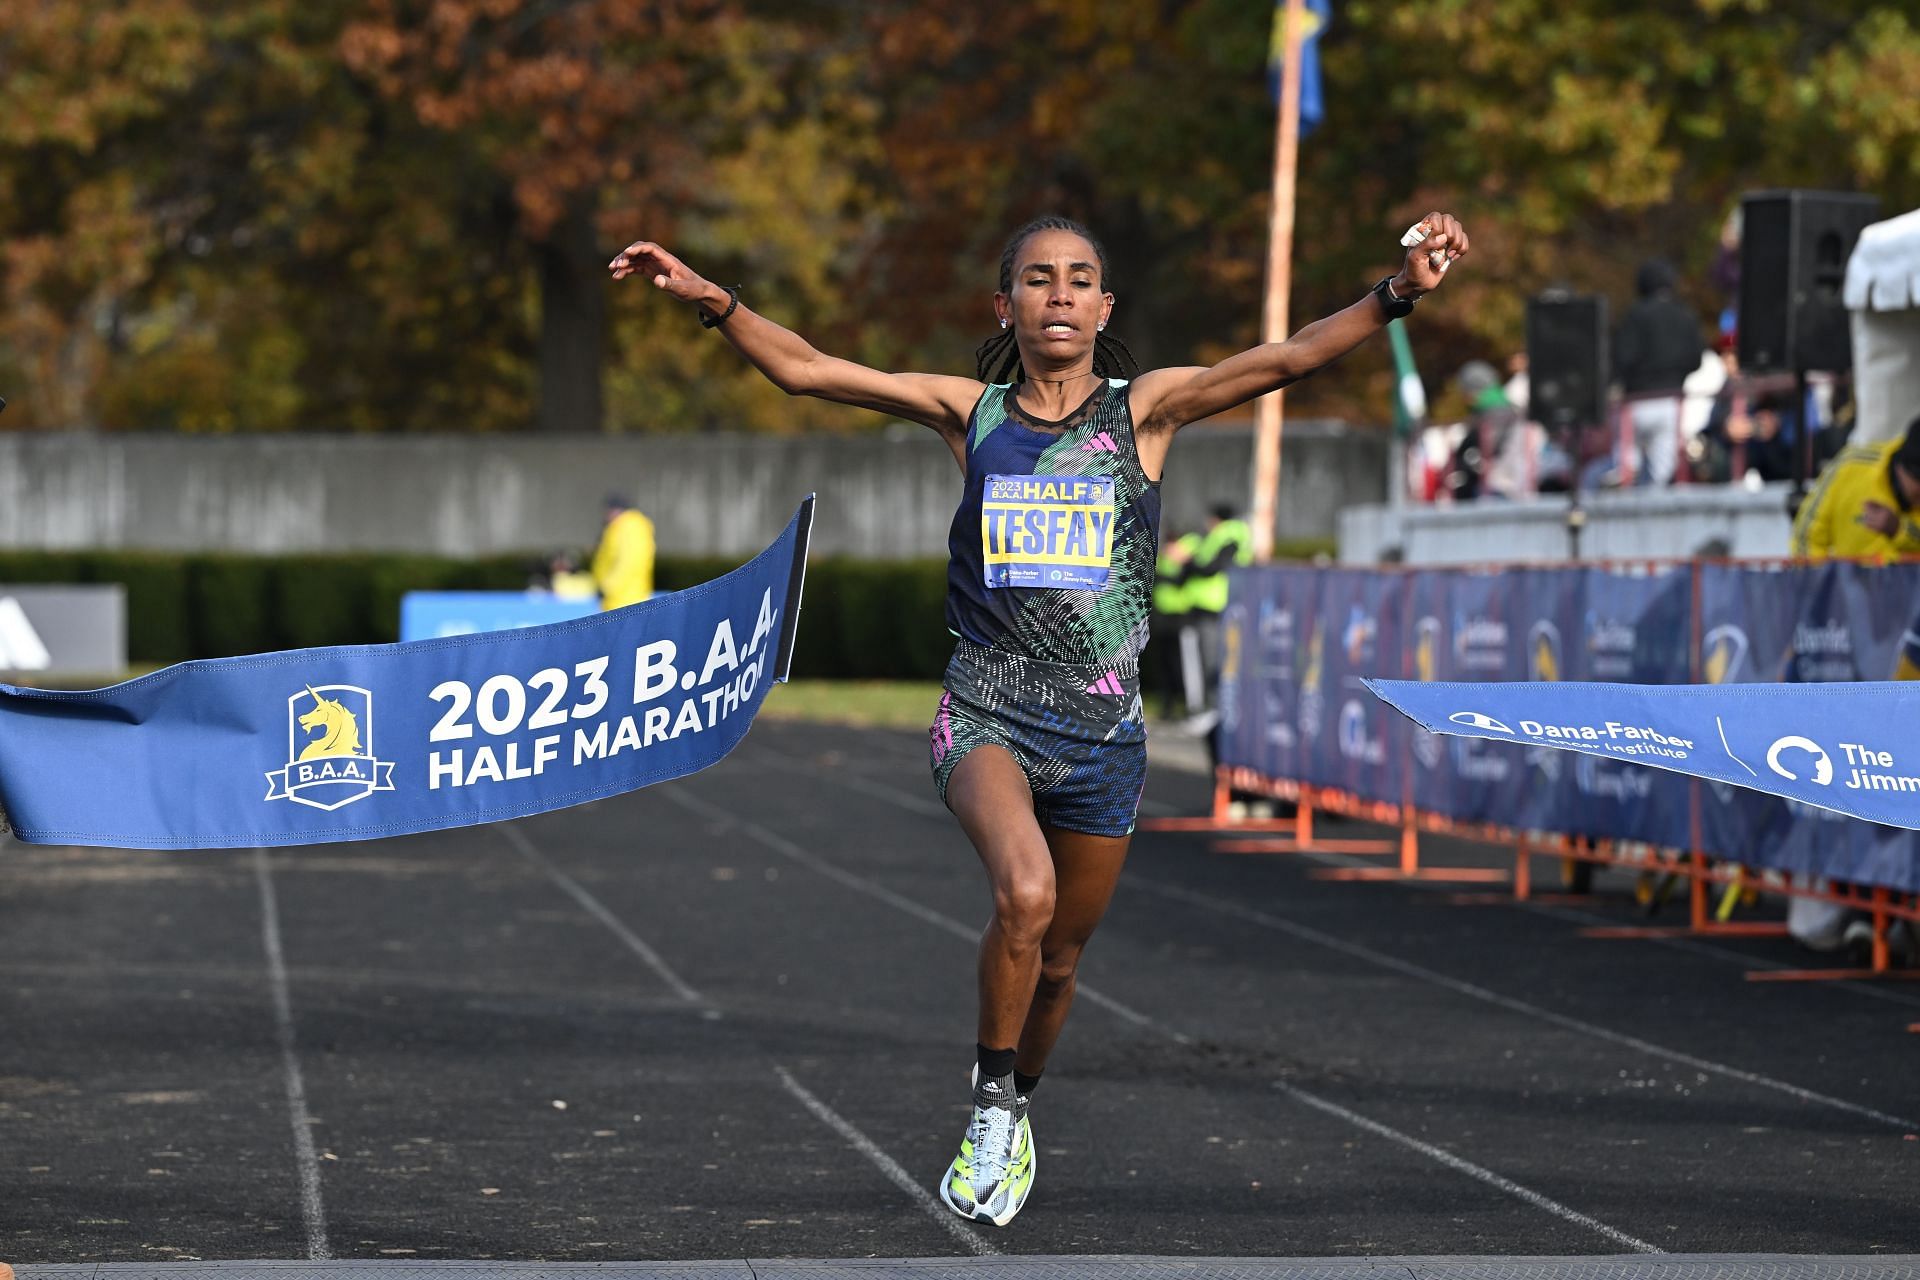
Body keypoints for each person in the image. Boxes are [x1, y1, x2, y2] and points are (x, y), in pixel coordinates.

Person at [610, 210, 1468, 1226]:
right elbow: (809, 371)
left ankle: (1016, 1101)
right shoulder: (969, 414)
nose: (1059, 294)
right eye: (1039, 278)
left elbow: (1283, 358)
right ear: (1005, 303)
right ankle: (986, 1099)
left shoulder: (1143, 413)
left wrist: (1397, 292)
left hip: (1104, 734)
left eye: (1079, 279)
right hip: (986, 708)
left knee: (1060, 956)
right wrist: (714, 300)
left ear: (1106, 308)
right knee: (1023, 893)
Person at [1613, 259, 1704, 486]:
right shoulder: (1686, 315)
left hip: (1637, 401)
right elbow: (1695, 360)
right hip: (1672, 402)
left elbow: (1622, 357)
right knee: (1661, 474)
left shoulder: (1636, 315)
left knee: (1626, 466)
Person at [1789, 412, 1920, 561]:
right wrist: (1827, 581)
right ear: (1901, 468)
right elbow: (1805, 537)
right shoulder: (1852, 466)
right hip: (1846, 582)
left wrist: (1899, 530)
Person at [590, 493, 656, 610]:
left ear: (615, 510)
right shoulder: (621, 527)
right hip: (619, 599)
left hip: (625, 600)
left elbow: (629, 561)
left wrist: (607, 587)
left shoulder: (629, 527)